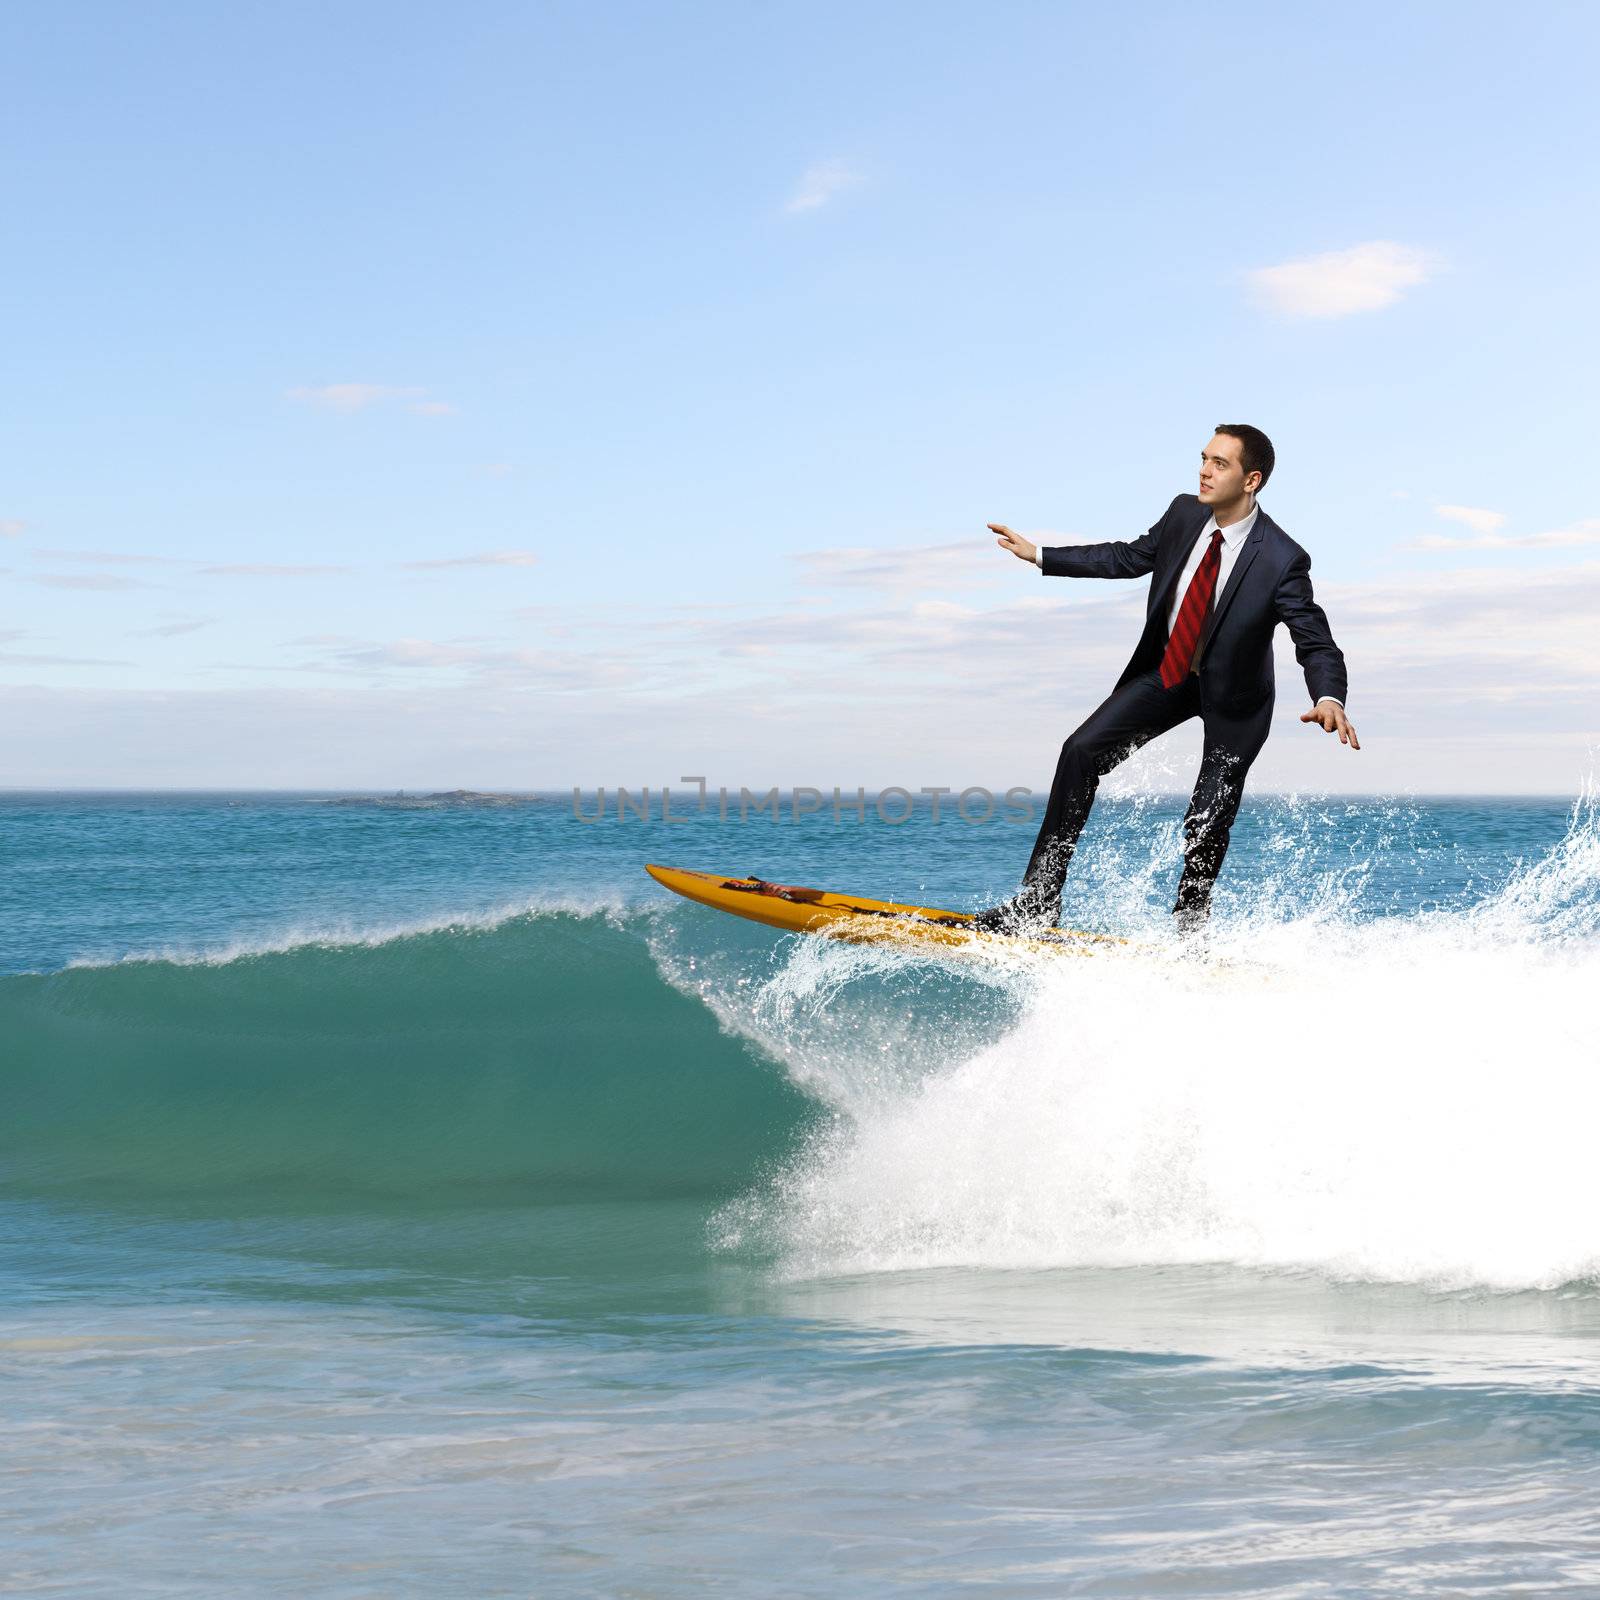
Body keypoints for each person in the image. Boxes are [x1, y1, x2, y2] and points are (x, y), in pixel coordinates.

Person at [973, 424, 1357, 934]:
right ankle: (1039, 901)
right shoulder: (1183, 513)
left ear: (1251, 480)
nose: (1204, 470)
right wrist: (1043, 554)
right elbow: (1129, 556)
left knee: (1207, 814)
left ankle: (1189, 928)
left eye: (1220, 464)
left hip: (1235, 698)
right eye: (1204, 458)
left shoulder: (1282, 558)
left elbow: (1314, 637)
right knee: (1080, 750)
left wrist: (1328, 695)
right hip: (1171, 672)